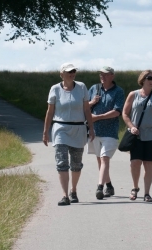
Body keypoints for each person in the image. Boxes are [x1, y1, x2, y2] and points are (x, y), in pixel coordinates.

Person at [42, 63, 95, 206]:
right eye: (68, 71)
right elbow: (50, 111)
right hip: (60, 129)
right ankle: (65, 195)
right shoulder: (55, 89)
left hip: (78, 129)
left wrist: (91, 128)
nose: (71, 74)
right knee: (61, 162)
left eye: (73, 71)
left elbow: (86, 109)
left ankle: (73, 190)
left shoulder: (82, 87)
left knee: (76, 164)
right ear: (61, 74)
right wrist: (45, 131)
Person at [121, 69, 152, 202]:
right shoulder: (133, 95)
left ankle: (147, 193)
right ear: (143, 80)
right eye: (149, 78)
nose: (151, 80)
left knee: (148, 164)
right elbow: (125, 114)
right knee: (135, 162)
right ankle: (135, 188)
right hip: (136, 135)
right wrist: (132, 127)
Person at [88, 66, 125, 200]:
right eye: (101, 74)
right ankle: (109, 185)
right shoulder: (94, 88)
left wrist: (97, 117)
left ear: (112, 76)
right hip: (95, 131)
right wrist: (92, 102)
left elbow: (117, 111)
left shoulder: (118, 91)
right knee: (100, 160)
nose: (102, 77)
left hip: (110, 132)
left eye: (105, 74)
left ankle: (99, 187)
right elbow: (84, 106)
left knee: (104, 159)